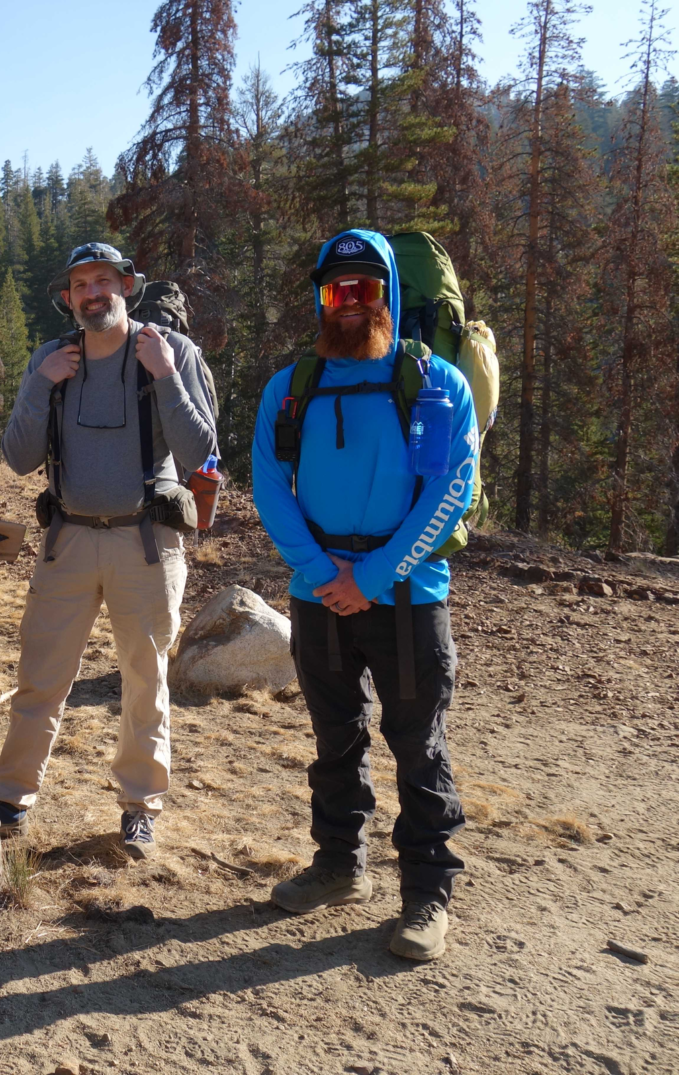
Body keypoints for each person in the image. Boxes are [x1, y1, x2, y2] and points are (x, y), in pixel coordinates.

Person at [251, 229, 476, 962]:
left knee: (419, 743)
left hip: (409, 594)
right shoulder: (290, 387)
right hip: (318, 594)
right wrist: (321, 573)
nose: (349, 306)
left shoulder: (437, 382)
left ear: (389, 296)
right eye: (336, 291)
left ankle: (427, 893)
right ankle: (339, 865)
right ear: (321, 298)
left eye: (365, 290)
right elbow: (267, 485)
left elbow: (451, 491)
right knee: (334, 735)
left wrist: (370, 577)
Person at [0, 243, 218, 858]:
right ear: (67, 298)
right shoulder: (50, 360)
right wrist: (41, 386)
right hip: (66, 541)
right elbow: (16, 458)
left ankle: (140, 807)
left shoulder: (172, 353)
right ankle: (9, 799)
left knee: (145, 682)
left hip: (147, 544)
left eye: (105, 280)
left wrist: (166, 375)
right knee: (39, 678)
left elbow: (202, 455)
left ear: (127, 285)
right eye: (81, 284)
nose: (94, 292)